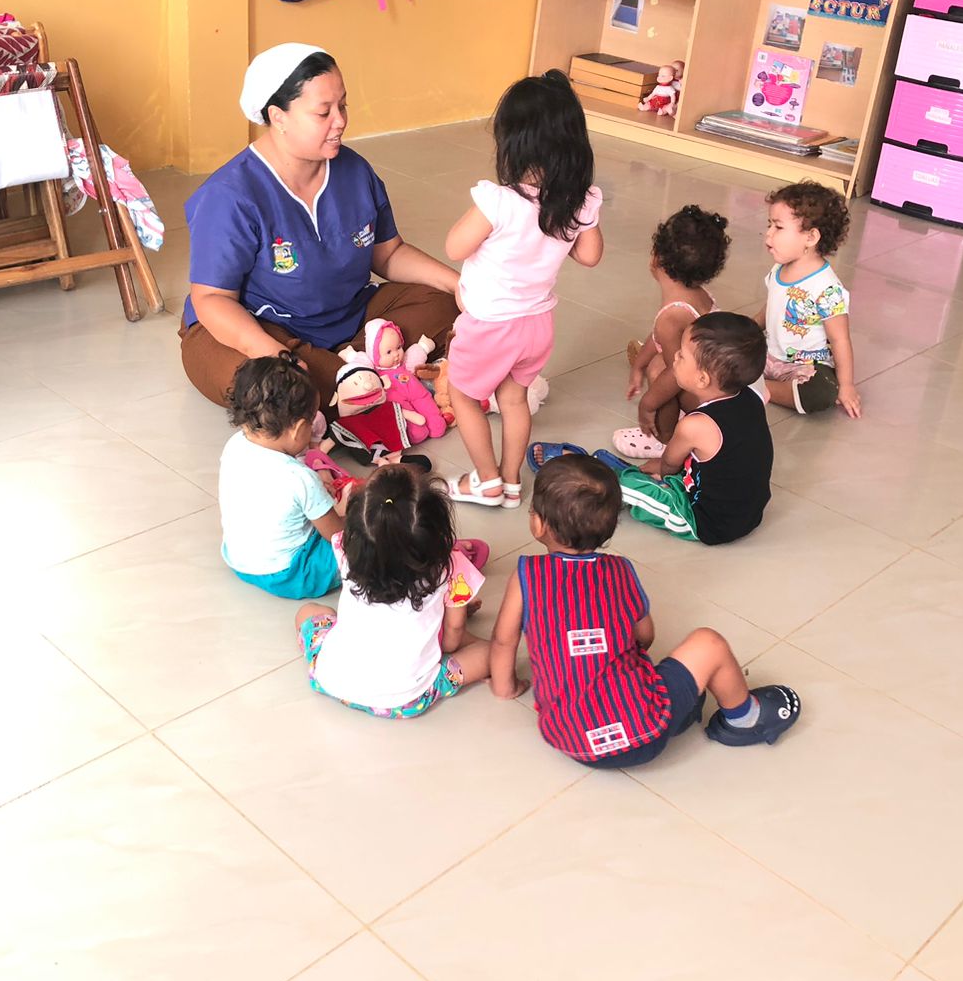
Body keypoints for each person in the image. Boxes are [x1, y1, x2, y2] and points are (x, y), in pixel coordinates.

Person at [180, 43, 461, 411]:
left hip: (348, 317)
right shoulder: (229, 195)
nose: (340, 120)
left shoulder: (355, 171)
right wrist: (276, 355)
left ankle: (352, 380)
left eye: (343, 106)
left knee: (443, 305)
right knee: (270, 386)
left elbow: (389, 254)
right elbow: (212, 299)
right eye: (323, 112)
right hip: (260, 328)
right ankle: (368, 374)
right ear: (278, 117)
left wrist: (460, 286)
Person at [488, 455, 800, 764]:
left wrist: (506, 688)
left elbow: (504, 641)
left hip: (572, 740)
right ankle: (744, 719)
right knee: (709, 643)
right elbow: (645, 635)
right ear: (610, 527)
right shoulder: (619, 571)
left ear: (538, 524)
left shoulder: (526, 575)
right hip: (646, 729)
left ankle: (683, 710)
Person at [442, 70, 604, 509]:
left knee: (463, 395)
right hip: (537, 325)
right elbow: (590, 255)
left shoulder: (498, 201)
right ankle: (513, 481)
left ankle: (487, 481)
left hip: (490, 326)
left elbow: (454, 246)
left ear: (513, 143)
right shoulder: (579, 201)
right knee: (514, 399)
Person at [535, 312, 772, 545]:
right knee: (663, 475)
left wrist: (662, 472)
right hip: (747, 511)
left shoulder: (695, 425)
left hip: (705, 521)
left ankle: (590, 481)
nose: (675, 356)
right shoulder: (751, 397)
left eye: (682, 356)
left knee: (618, 489)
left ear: (702, 379)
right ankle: (623, 474)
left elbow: (669, 464)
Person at [294, 466, 493, 719]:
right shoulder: (450, 569)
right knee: (492, 652)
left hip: (329, 678)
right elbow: (452, 640)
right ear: (438, 533)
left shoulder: (344, 550)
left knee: (308, 611)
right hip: (405, 700)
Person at [219, 354, 344, 599]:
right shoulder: (300, 478)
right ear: (298, 429)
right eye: (311, 422)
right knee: (366, 539)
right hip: (291, 574)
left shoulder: (234, 445)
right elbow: (337, 535)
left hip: (240, 561)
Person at [615, 205, 732, 459]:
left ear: (656, 258)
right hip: (720, 387)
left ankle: (664, 439)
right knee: (660, 363)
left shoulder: (671, 316)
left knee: (660, 371)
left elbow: (676, 376)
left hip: (708, 401)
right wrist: (638, 365)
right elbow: (659, 337)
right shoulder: (696, 295)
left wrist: (648, 404)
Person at [759, 182, 861, 418]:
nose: (769, 233)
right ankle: (757, 384)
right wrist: (749, 327)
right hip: (768, 354)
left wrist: (846, 385)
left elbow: (840, 339)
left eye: (778, 227)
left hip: (804, 366)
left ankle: (757, 389)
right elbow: (774, 306)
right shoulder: (779, 268)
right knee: (726, 350)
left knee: (821, 392)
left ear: (811, 237)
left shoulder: (826, 287)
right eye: (769, 225)